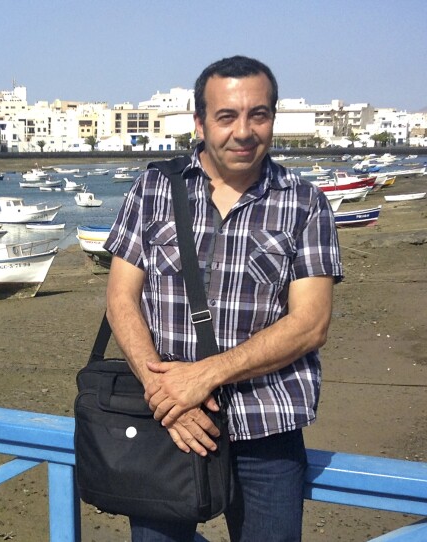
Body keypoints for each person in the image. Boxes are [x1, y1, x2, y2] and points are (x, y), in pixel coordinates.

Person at [103, 55, 344, 541]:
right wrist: (167, 395)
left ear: (272, 118)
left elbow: (310, 323)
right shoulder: (153, 189)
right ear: (200, 122)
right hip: (171, 426)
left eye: (258, 114)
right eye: (226, 116)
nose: (244, 131)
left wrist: (203, 377)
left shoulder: (304, 202)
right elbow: (121, 299)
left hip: (267, 430)